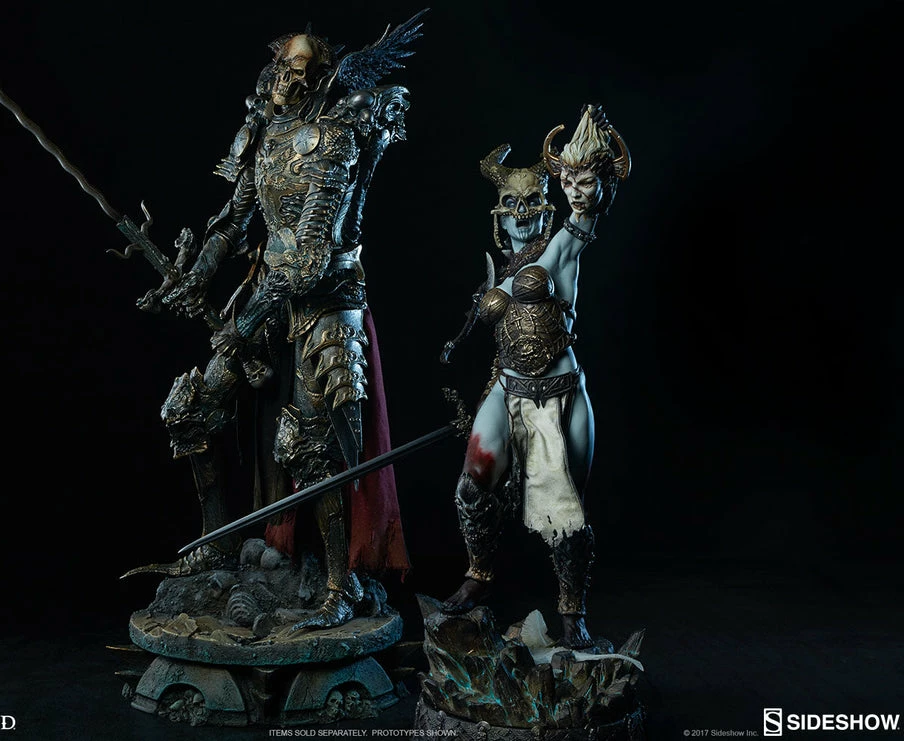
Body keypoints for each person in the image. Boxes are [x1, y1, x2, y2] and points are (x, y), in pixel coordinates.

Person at [140, 15, 425, 630]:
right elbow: (235, 218)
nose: (285, 79)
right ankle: (218, 545)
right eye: (281, 66)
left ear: (320, 79)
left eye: (300, 70)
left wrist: (242, 327)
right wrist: (196, 275)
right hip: (266, 295)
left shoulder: (336, 139)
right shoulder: (265, 134)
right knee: (191, 410)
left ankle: (336, 585)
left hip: (325, 304)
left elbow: (308, 258)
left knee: (310, 447)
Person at [439, 106, 631, 649]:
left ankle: (572, 612)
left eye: (531, 205)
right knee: (471, 486)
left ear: (547, 210)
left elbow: (585, 218)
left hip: (558, 396)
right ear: (498, 218)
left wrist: (585, 184)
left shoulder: (561, 248)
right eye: (511, 207)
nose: (522, 215)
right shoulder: (499, 271)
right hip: (508, 389)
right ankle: (479, 575)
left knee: (563, 513)